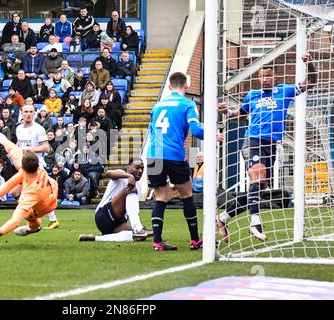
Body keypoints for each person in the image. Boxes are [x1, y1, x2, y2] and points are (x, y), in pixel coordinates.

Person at [216, 53, 317, 242]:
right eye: (262, 77)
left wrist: (310, 64)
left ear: (274, 78)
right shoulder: (252, 95)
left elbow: (310, 82)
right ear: (259, 78)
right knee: (258, 177)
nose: (265, 80)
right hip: (252, 141)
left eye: (269, 76)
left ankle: (222, 218)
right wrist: (227, 111)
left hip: (271, 145)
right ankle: (255, 223)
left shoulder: (285, 91)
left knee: (259, 188)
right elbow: (239, 113)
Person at [147, 72, 223, 251]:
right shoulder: (188, 104)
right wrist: (213, 134)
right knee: (187, 195)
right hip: (173, 154)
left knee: (160, 197)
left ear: (169, 86)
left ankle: (157, 242)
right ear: (186, 86)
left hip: (154, 153)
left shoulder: (157, 105)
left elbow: (151, 131)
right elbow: (196, 130)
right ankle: (195, 241)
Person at [0, 105, 60, 229]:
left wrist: (31, 150)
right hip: (23, 165)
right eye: (26, 112)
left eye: (31, 112)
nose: (28, 114)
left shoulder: (38, 129)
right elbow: (20, 143)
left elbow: (47, 148)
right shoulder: (19, 128)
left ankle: (48, 219)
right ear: (22, 113)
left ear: (34, 113)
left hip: (36, 167)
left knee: (36, 195)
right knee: (14, 192)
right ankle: (36, 216)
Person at [0, 137, 58, 244]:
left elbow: (15, 221)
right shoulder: (39, 168)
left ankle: (33, 228)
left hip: (46, 206)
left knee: (29, 215)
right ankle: (34, 226)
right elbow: (9, 184)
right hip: (52, 188)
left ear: (23, 166)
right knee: (15, 189)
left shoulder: (30, 194)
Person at [78, 158, 152, 242]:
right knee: (131, 189)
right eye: (137, 167)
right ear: (128, 167)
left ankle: (95, 238)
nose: (140, 171)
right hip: (103, 215)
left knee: (138, 236)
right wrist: (129, 176)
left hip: (118, 222)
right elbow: (109, 173)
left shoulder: (139, 185)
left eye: (142, 168)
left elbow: (131, 206)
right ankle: (138, 227)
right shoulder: (121, 174)